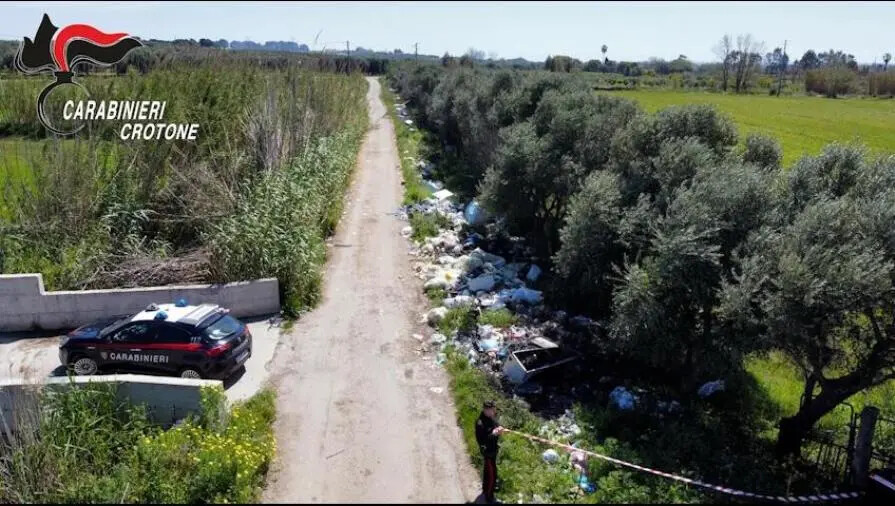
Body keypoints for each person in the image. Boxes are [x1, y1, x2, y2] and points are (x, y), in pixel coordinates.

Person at [475, 400, 504, 504]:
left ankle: (485, 489)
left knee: (487, 471)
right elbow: (482, 440)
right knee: (492, 474)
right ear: (484, 410)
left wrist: (499, 428)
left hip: (493, 450)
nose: (492, 412)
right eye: (490, 410)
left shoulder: (490, 417)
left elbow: (495, 424)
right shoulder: (480, 423)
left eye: (493, 410)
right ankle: (489, 497)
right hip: (488, 453)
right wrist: (494, 434)